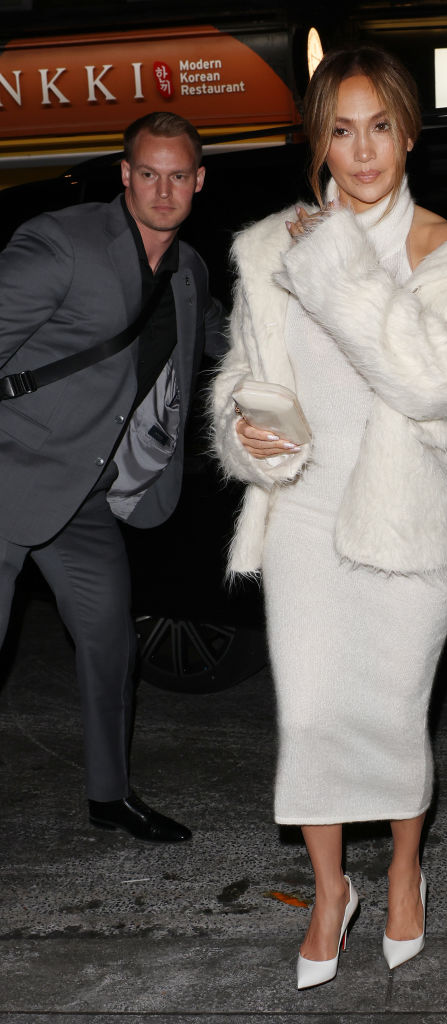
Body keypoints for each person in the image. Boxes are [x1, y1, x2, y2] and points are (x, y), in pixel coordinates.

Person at [212, 46, 447, 988]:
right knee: (310, 715)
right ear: (317, 141)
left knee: (391, 714)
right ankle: (328, 892)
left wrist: (338, 258)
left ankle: (401, 869)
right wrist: (246, 430)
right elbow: (241, 374)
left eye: (380, 127)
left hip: (410, 527)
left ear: (409, 134)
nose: (361, 152)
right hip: (304, 513)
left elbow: (428, 383)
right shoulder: (267, 247)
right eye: (341, 131)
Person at [0, 111, 226, 842]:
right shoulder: (61, 243)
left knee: (111, 648)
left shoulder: (188, 272)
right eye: (148, 174)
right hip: (8, 476)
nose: (163, 191)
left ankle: (109, 795)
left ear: (198, 181)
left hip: (86, 495)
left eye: (178, 176)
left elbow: (228, 339)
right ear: (125, 175)